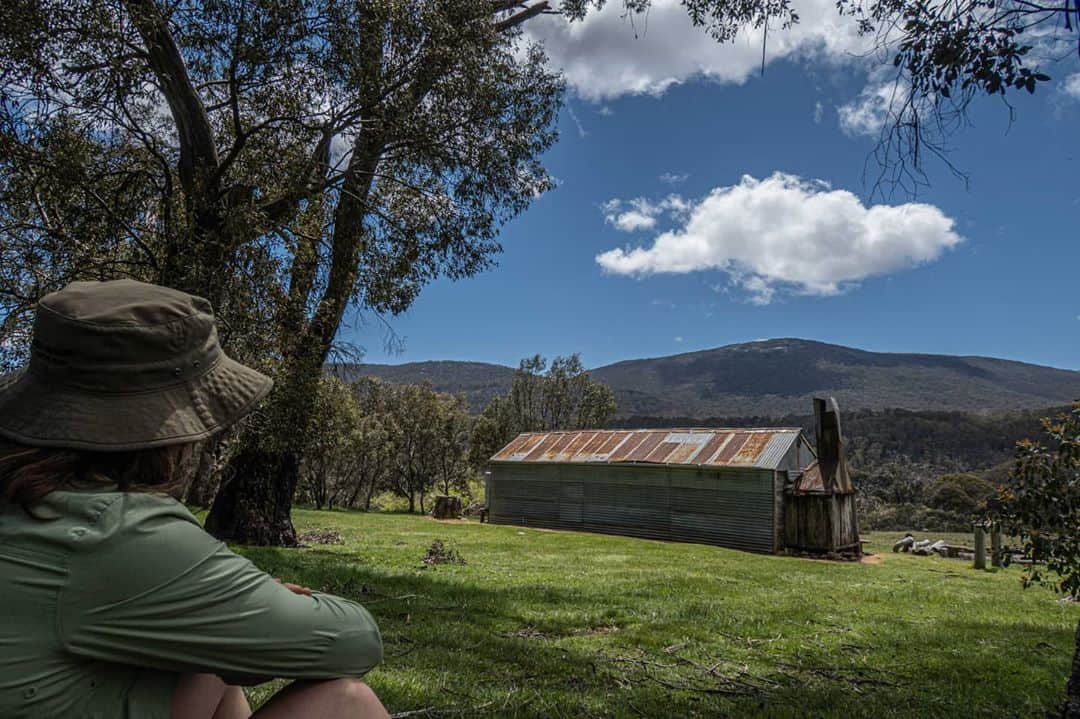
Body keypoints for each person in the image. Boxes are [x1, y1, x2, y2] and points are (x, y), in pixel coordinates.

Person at [0, 279, 390, 719]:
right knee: (345, 703)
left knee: (202, 670)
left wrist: (226, 617)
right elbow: (356, 640)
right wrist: (264, 611)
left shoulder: (31, 503)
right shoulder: (112, 530)